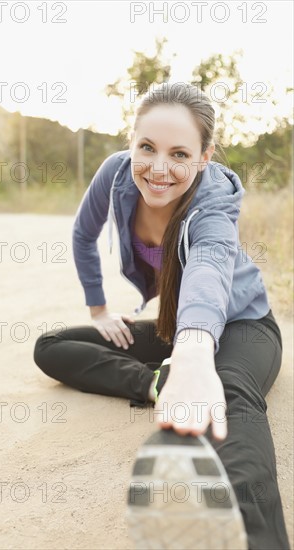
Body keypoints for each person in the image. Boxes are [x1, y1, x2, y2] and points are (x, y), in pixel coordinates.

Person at [33, 82, 291, 549]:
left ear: (204, 157)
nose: (158, 168)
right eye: (146, 147)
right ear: (131, 141)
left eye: (179, 154)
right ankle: (155, 382)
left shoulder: (213, 199)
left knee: (230, 393)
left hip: (242, 326)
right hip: (177, 328)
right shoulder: (115, 174)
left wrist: (193, 357)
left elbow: (209, 264)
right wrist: (99, 309)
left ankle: (254, 536)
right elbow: (82, 234)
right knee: (50, 347)